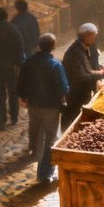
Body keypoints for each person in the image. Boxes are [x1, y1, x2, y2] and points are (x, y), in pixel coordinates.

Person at [17, 32, 69, 183]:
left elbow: (21, 82)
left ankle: (34, 154)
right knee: (50, 139)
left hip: (33, 105)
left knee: (36, 131)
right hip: (51, 107)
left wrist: (22, 97)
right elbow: (64, 87)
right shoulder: (56, 65)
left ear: (39, 45)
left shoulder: (28, 62)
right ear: (53, 47)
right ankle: (45, 173)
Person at [63, 22, 104, 122]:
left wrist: (101, 69)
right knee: (75, 119)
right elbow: (80, 76)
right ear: (86, 35)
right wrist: (100, 74)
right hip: (76, 94)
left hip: (82, 92)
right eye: (93, 36)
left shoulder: (83, 48)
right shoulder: (76, 52)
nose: (94, 39)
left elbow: (88, 69)